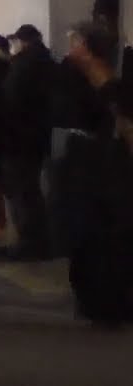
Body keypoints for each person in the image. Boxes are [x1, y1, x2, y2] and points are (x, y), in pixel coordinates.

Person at [51, 20, 133, 327]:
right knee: (87, 236)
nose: (70, 47)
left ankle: (111, 301)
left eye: (75, 41)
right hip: (86, 166)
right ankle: (93, 299)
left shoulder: (116, 78)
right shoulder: (71, 75)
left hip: (107, 168)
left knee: (109, 238)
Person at [1, 23, 55, 259]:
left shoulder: (24, 65)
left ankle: (29, 243)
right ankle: (36, 241)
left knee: (22, 192)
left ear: (24, 42)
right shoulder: (47, 63)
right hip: (37, 137)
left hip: (19, 137)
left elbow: (10, 99)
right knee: (30, 189)